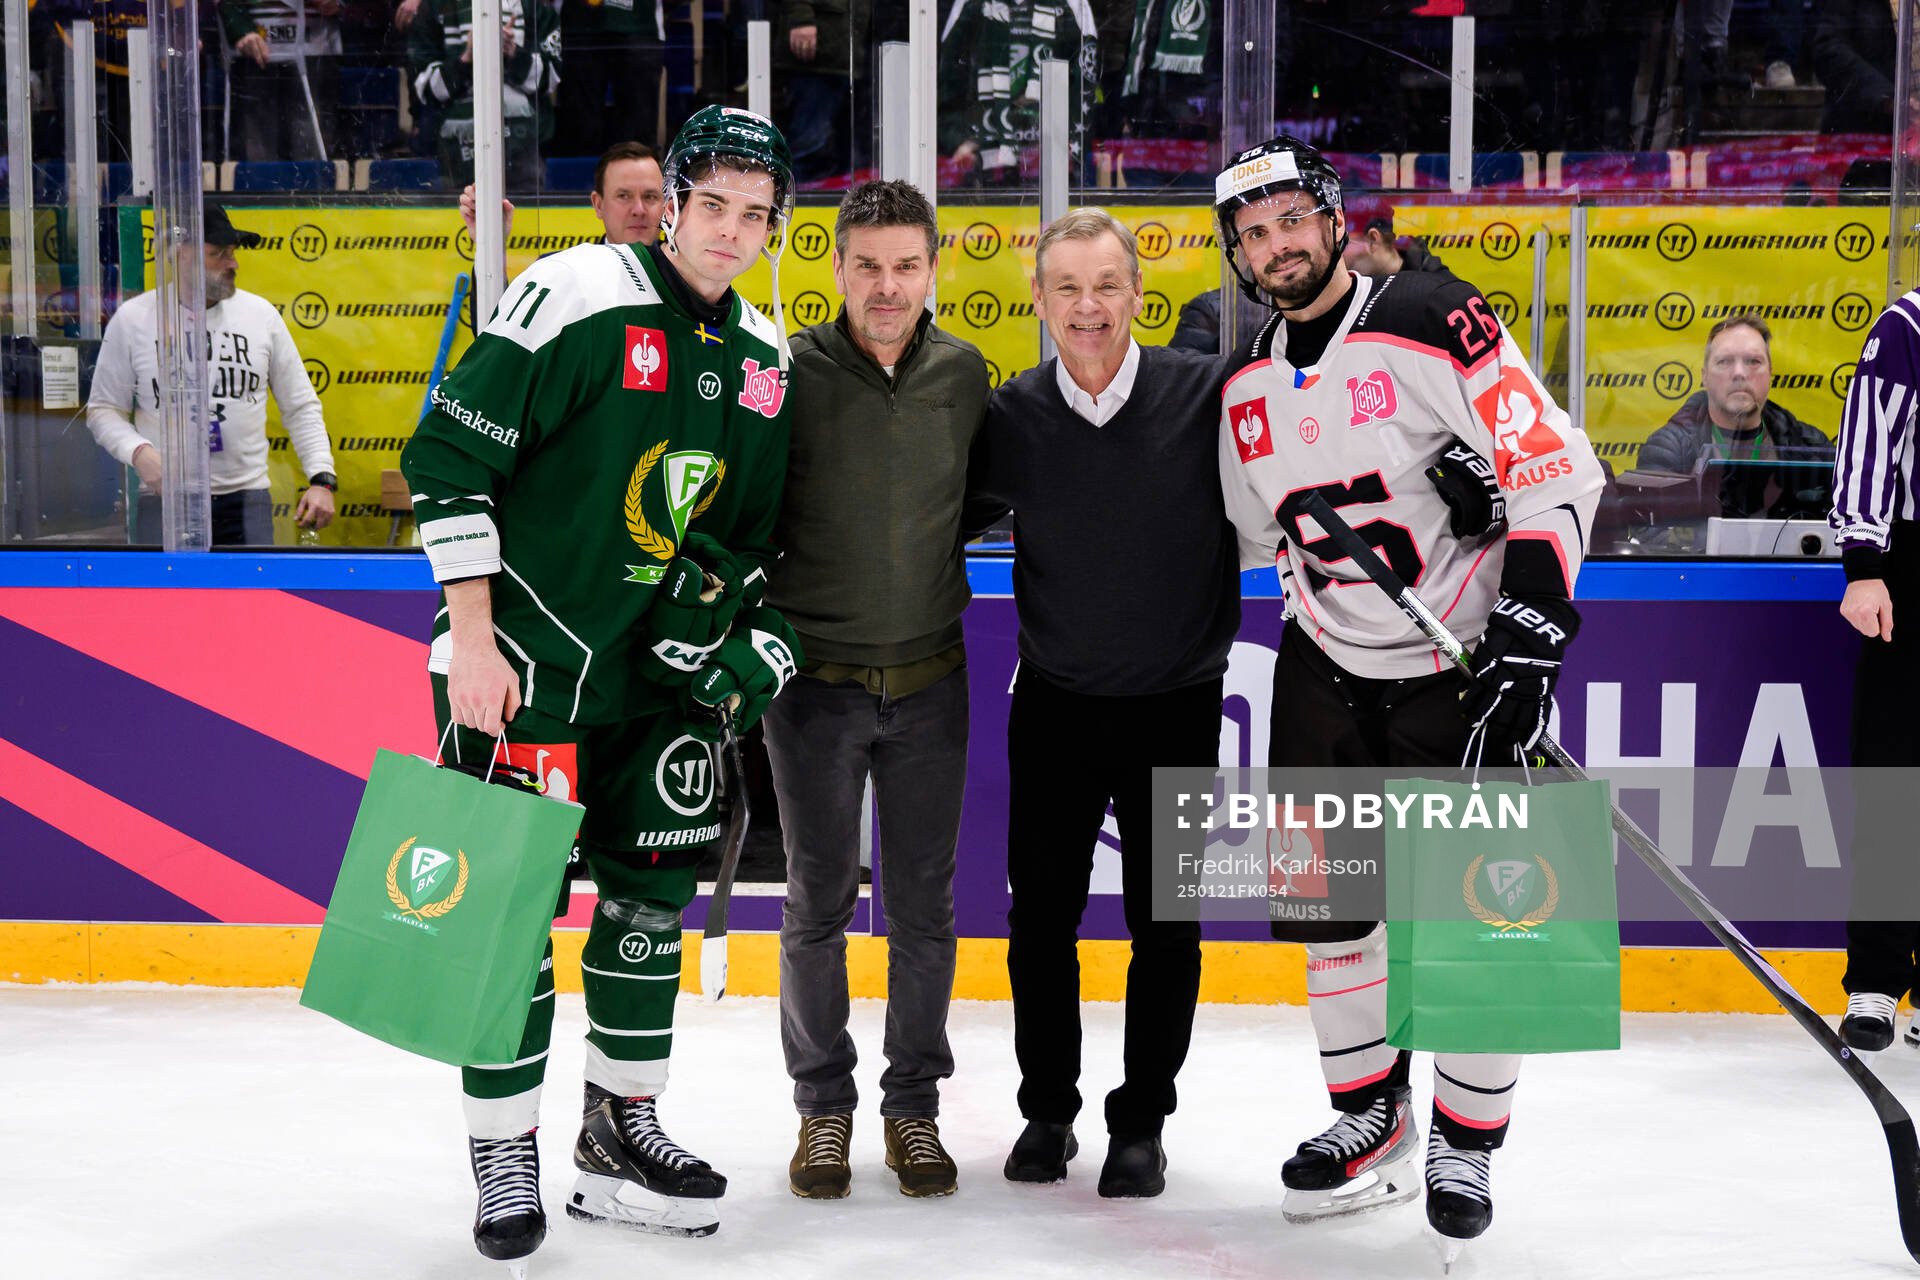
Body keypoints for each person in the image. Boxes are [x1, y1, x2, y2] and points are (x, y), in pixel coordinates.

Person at [399, 106, 800, 1272]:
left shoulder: (765, 360)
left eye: (755, 214)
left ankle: (618, 1126)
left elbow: (748, 540)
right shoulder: (576, 292)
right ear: (672, 197)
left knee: (643, 913)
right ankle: (504, 1148)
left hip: (652, 687)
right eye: (712, 203)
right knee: (506, 924)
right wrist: (471, 640)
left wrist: (745, 636)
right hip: (519, 668)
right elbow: (446, 458)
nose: (730, 231)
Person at [1211, 136, 1602, 1258]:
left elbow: (1560, 470)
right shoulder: (1245, 387)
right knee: (1331, 915)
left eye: (1292, 219)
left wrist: (1530, 640)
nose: (1277, 245)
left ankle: (1465, 1137)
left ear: (1332, 219)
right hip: (1325, 668)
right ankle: (1368, 1117)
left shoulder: (1435, 317)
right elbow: (1254, 533)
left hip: (1463, 671)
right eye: (1253, 232)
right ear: (1237, 254)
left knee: (1489, 915)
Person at [968, 207, 1239, 1200]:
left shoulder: (1202, 394)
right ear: (1038, 301)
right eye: (1068, 289)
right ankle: (1048, 1109)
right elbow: (923, 514)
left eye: (1107, 286)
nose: (1089, 307)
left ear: (1138, 295)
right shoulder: (1014, 416)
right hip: (1055, 706)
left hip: (1177, 707)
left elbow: (1303, 465)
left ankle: (1142, 1121)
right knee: (1039, 920)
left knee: (1166, 924)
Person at [762, 178, 990, 1200]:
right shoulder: (789, 373)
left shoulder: (964, 373)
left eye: (906, 266)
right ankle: (822, 1110)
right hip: (813, 689)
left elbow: (979, 501)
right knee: (815, 900)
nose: (887, 286)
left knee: (925, 908)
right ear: (836, 266)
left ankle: (913, 1110)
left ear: (933, 269)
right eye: (868, 265)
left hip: (934, 682)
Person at [86, 203, 337, 546]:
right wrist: (139, 451)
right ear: (180, 255)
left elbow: (300, 405)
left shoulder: (260, 316)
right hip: (165, 501)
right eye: (218, 253)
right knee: (166, 599)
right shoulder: (134, 320)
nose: (232, 264)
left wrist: (321, 479)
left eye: (232, 252)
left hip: (246, 500)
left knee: (254, 598)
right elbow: (102, 409)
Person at [1832, 289, 1920, 1053]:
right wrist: (1865, 563)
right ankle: (1879, 978)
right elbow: (1868, 443)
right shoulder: (1909, 325)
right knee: (1895, 782)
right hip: (1914, 569)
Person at [1637, 314, 1834, 520]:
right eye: (1724, 362)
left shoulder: (1810, 448)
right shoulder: (1669, 449)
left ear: (1770, 375)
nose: (1739, 373)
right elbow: (1654, 538)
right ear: (1705, 377)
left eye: (1753, 361)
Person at [937, 0, 1098, 186]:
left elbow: (1086, 75)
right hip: (987, 152)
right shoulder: (971, 3)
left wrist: (1071, 141)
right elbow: (948, 72)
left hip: (1049, 154)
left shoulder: (1073, 4)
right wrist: (957, 139)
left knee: (1053, 212)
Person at [409, 0, 558, 190]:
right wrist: (467, 58)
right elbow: (427, 91)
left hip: (523, 149)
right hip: (454, 153)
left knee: (524, 215)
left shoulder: (535, 6)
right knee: (461, 216)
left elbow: (549, 79)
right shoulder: (432, 7)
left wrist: (512, 52)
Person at [460, 141, 668, 249]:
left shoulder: (686, 277)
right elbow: (501, 329)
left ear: (667, 206)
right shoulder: (559, 273)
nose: (639, 210)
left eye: (650, 197)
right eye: (624, 196)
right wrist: (489, 244)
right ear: (598, 204)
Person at [773, 0, 873, 184]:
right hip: (818, 57)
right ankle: (793, 201)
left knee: (850, 153)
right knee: (809, 146)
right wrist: (800, 17)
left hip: (852, 53)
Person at [551, 0, 663, 160]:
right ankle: (582, 180)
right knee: (580, 131)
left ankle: (637, 181)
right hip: (578, 26)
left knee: (638, 136)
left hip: (640, 25)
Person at [1339, 196, 1453, 280]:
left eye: (1343, 242)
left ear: (1373, 239)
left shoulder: (1436, 289)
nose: (1337, 252)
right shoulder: (1360, 292)